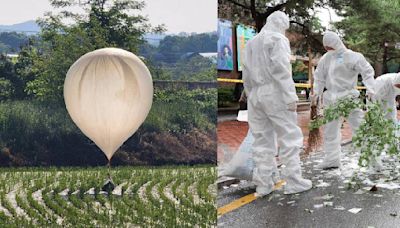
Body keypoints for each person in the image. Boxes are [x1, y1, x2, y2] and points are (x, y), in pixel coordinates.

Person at [242, 11, 312, 196]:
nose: (285, 30)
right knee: (289, 136)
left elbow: (246, 73)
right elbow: (281, 69)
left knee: (262, 140)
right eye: (285, 26)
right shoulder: (277, 39)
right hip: (275, 92)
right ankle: (294, 181)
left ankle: (264, 184)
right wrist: (290, 96)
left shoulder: (251, 42)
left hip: (256, 94)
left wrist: (251, 95)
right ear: (280, 23)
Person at [312, 31, 376, 169]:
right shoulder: (326, 58)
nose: (328, 49)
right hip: (331, 99)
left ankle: (371, 159)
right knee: (330, 131)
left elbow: (367, 71)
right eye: (326, 47)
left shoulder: (353, 57)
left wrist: (371, 88)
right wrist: (316, 93)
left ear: (336, 42)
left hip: (349, 97)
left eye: (330, 46)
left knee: (360, 128)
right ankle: (332, 159)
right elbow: (319, 77)